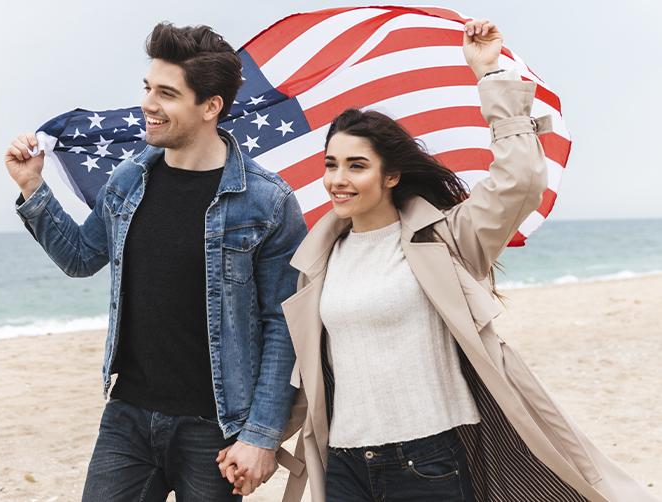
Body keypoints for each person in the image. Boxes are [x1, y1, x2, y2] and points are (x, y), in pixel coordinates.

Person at [276, 18, 658, 502]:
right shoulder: (319, 261)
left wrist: (489, 75)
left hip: (427, 462)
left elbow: (519, 181)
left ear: (392, 175)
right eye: (331, 165)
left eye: (356, 165)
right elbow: (309, 372)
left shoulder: (446, 239)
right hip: (346, 464)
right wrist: (261, 439)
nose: (338, 179)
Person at [4, 22, 307, 501]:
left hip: (216, 425)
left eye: (167, 93)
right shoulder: (130, 178)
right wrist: (33, 188)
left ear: (210, 107)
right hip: (127, 413)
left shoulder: (267, 202)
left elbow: (284, 326)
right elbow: (82, 257)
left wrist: (261, 438)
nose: (148, 103)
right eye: (148, 88)